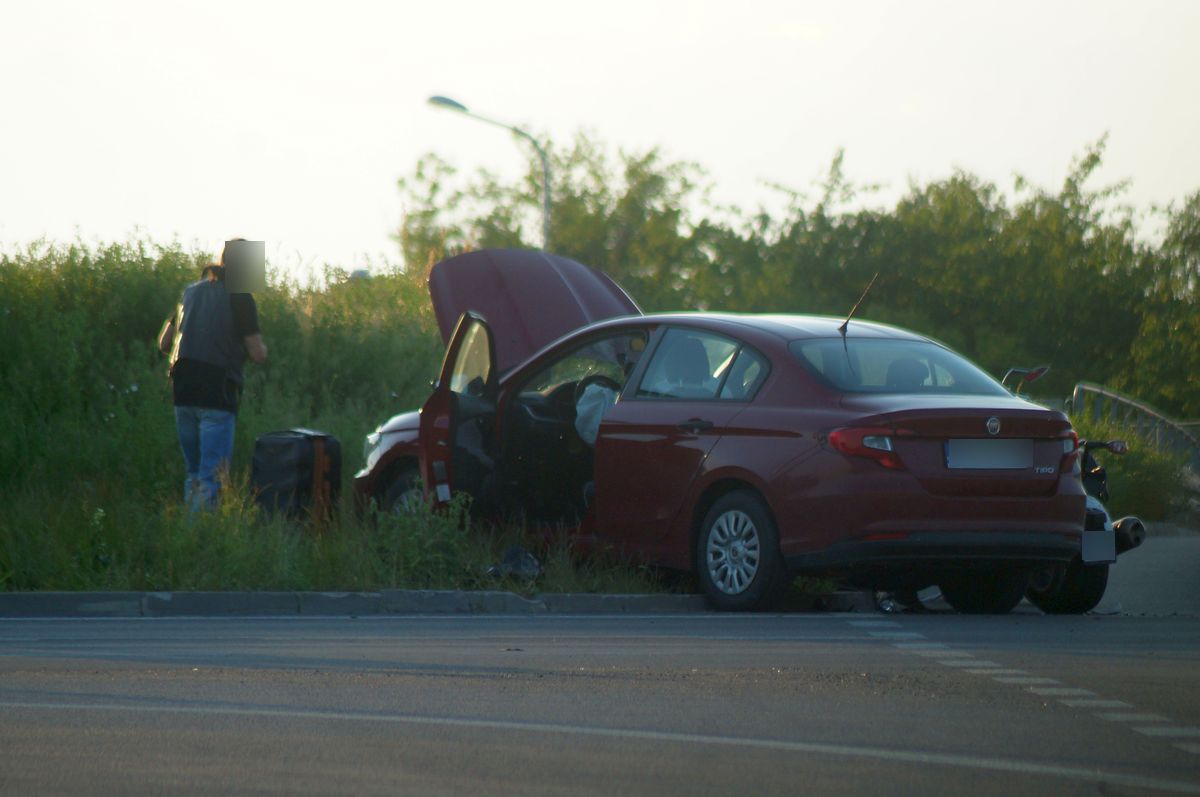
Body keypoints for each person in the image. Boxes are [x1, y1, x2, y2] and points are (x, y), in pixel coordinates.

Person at [158, 244, 267, 510]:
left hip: (182, 392)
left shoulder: (190, 292)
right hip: (217, 393)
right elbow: (258, 354)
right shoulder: (241, 297)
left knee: (193, 472)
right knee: (212, 478)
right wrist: (261, 347)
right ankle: (200, 542)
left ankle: (187, 535)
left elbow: (164, 343)